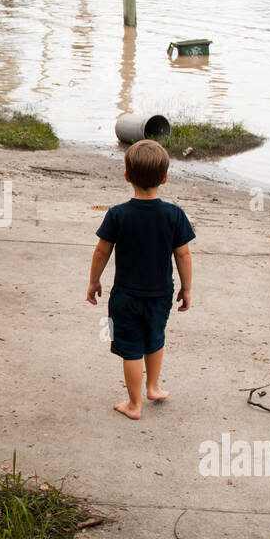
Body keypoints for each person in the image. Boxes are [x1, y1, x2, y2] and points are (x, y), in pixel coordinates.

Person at [86, 139, 195, 420]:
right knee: (155, 338)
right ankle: (153, 386)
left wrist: (94, 281)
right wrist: (186, 288)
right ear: (165, 177)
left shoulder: (118, 214)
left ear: (126, 176)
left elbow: (102, 250)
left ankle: (134, 404)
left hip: (125, 297)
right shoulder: (174, 215)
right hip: (160, 295)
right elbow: (182, 255)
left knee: (131, 348)